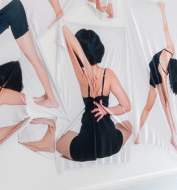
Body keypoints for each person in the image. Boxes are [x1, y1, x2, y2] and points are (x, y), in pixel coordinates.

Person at [29, 26, 131, 161]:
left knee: (60, 138)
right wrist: (107, 110)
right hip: (111, 144)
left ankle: (48, 143)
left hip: (84, 149)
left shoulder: (82, 75)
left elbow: (65, 30)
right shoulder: (108, 74)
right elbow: (126, 106)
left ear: (79, 52)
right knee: (128, 125)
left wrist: (84, 63)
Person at [135, 2, 177, 151]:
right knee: (158, 104)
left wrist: (163, 11)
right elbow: (167, 99)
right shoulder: (163, 71)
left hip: (157, 67)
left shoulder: (171, 50)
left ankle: (171, 135)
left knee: (155, 106)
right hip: (154, 69)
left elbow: (166, 29)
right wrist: (162, 11)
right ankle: (141, 134)